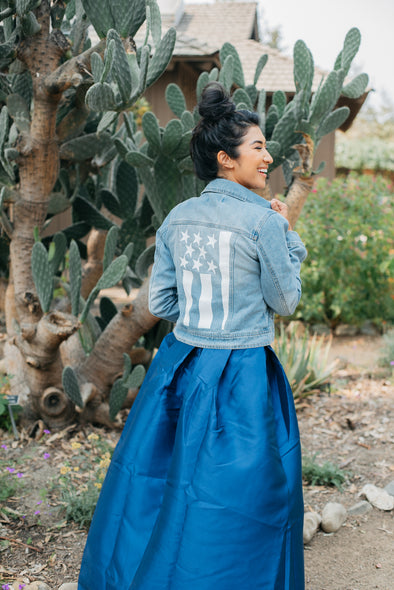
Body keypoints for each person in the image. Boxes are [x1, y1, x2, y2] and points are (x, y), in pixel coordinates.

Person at [78, 82, 307, 590]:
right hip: (242, 371)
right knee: (247, 489)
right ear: (227, 159)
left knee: (165, 480)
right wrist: (287, 235)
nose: (268, 156)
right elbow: (286, 301)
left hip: (180, 365)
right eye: (258, 147)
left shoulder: (177, 219)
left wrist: (202, 317)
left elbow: (160, 304)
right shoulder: (264, 223)